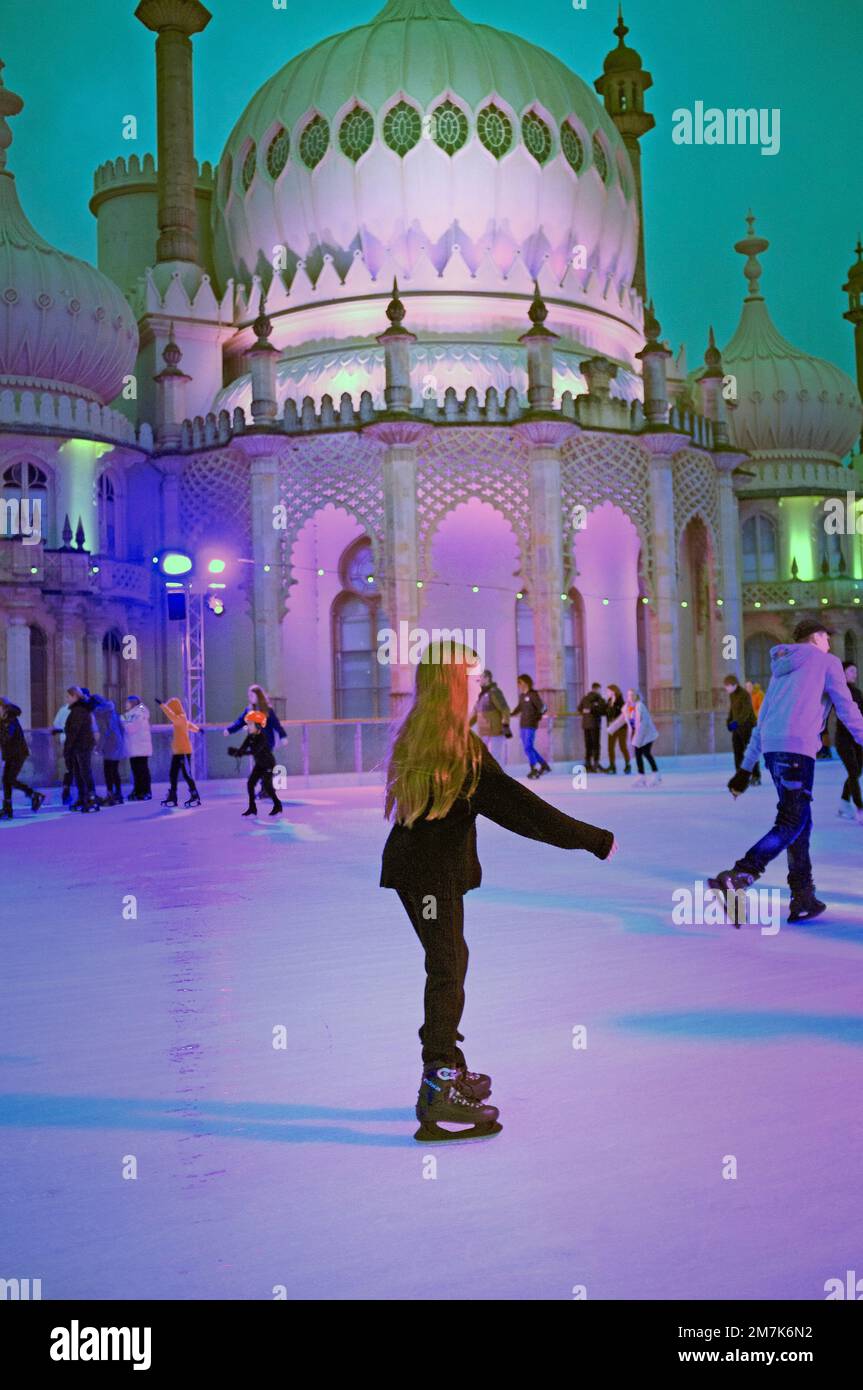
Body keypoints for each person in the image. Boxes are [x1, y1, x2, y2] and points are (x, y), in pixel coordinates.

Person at [381, 642, 618, 1143]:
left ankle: (448, 1065)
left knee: (449, 963)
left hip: (417, 872)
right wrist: (593, 840)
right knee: (447, 970)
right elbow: (521, 810)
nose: (477, 687)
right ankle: (439, 1083)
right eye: (470, 678)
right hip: (430, 877)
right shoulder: (459, 750)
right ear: (453, 684)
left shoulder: (421, 735)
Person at [709, 618, 863, 924]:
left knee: (799, 822)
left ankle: (802, 896)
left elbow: (762, 719)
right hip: (797, 750)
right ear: (816, 637)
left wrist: (745, 769)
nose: (829, 643)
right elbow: (847, 709)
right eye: (826, 637)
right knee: (792, 820)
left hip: (774, 750)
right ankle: (741, 874)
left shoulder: (781, 669)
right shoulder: (826, 662)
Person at [228, 710, 283, 817]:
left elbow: (254, 751)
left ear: (258, 725)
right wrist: (236, 752)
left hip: (268, 764)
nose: (248, 726)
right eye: (248, 724)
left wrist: (240, 752)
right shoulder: (250, 736)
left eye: (250, 724)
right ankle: (252, 807)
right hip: (259, 764)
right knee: (250, 784)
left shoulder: (263, 737)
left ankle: (277, 804)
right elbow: (243, 749)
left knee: (267, 787)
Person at [0, 698, 44, 819]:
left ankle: (34, 795)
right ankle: (7, 808)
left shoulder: (11, 719)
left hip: (18, 754)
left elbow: (7, 736)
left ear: (3, 708)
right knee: (6, 779)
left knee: (10, 779)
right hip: (10, 754)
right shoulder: (3, 720)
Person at [608, 688, 660, 787]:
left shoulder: (640, 706)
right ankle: (641, 776)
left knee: (646, 753)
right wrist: (611, 728)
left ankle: (656, 774)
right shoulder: (627, 707)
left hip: (647, 734)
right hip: (636, 734)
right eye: (629, 695)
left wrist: (638, 738)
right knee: (638, 754)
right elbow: (621, 719)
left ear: (637, 696)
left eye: (632, 695)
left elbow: (643, 723)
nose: (630, 697)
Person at [158, 698, 201, 808]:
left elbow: (173, 717)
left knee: (187, 774)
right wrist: (197, 729)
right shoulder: (182, 719)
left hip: (184, 751)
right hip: (177, 752)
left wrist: (163, 705)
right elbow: (189, 725)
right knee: (173, 774)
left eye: (171, 707)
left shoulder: (180, 718)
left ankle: (194, 794)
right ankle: (173, 795)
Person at [835, 661, 863, 825]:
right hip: (844, 739)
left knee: (857, 771)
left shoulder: (858, 692)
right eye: (851, 671)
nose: (855, 674)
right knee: (853, 771)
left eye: (856, 671)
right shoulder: (840, 691)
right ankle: (860, 807)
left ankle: (844, 802)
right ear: (843, 673)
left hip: (857, 738)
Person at [63, 687, 100, 812]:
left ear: (75, 696)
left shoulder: (78, 710)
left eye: (68, 696)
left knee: (84, 772)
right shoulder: (78, 709)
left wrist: (68, 747)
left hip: (82, 745)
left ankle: (91, 798)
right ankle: (83, 797)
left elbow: (74, 731)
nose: (67, 699)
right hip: (80, 745)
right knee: (80, 773)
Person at [510, 673, 550, 779]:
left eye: (520, 682)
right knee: (528, 748)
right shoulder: (522, 696)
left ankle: (534, 769)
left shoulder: (533, 694)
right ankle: (543, 765)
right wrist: (510, 714)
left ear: (526, 682)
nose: (519, 685)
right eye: (518, 683)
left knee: (528, 747)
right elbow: (519, 708)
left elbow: (543, 708)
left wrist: (537, 717)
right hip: (523, 724)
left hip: (530, 724)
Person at [224, 684, 287, 751]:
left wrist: (282, 736)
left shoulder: (267, 710)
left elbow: (276, 724)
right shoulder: (249, 710)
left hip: (267, 742)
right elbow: (240, 722)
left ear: (258, 696)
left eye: (251, 695)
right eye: (249, 696)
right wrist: (229, 730)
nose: (249, 698)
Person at [723, 673, 760, 785]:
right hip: (737, 728)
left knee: (750, 753)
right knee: (738, 752)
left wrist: (735, 723)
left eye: (727, 686)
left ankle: (756, 776)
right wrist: (729, 721)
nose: (726, 688)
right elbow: (732, 710)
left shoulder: (744, 694)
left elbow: (746, 712)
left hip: (747, 727)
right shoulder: (732, 695)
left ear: (734, 685)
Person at [469, 669, 511, 763]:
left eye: (481, 677)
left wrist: (505, 724)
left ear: (487, 678)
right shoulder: (481, 695)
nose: (479, 680)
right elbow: (475, 713)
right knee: (482, 757)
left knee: (496, 757)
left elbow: (505, 709)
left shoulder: (494, 692)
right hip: (484, 732)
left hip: (495, 731)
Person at [92, 694, 126, 805]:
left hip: (109, 744)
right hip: (118, 742)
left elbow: (103, 732)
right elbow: (121, 727)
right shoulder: (111, 710)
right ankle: (118, 794)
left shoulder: (100, 713)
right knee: (115, 770)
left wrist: (98, 747)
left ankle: (110, 795)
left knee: (108, 771)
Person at [123, 696, 153, 801]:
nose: (125, 705)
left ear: (132, 703)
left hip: (138, 747)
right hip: (139, 747)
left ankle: (143, 791)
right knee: (141, 770)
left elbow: (130, 729)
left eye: (127, 702)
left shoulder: (136, 714)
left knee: (140, 771)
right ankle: (141, 790)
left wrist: (123, 723)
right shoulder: (139, 713)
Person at [576, 683, 606, 773]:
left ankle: (588, 763)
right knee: (596, 745)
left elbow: (579, 708)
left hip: (586, 725)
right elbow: (603, 711)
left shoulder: (585, 698)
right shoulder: (599, 699)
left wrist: (585, 712)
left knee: (588, 745)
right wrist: (593, 710)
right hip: (595, 725)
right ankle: (596, 763)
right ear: (597, 689)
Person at [604, 683, 630, 774]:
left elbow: (623, 715)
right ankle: (612, 766)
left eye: (608, 691)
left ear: (613, 691)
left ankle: (627, 765)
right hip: (612, 727)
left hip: (621, 727)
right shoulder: (608, 701)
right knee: (610, 747)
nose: (607, 692)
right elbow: (606, 712)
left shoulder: (621, 701)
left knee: (622, 746)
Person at [50, 699, 73, 803]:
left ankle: (66, 788)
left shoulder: (63, 710)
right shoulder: (78, 710)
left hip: (64, 740)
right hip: (76, 741)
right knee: (78, 766)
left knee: (69, 767)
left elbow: (56, 724)